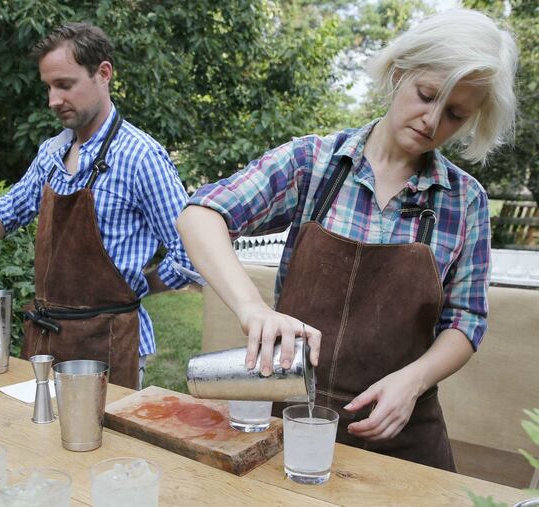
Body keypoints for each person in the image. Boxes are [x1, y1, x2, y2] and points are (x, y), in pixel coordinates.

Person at [176, 8, 517, 471]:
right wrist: (251, 307)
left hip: (399, 437)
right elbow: (200, 215)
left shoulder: (465, 201)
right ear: (399, 74)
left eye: (455, 114)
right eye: (426, 95)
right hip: (291, 423)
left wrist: (413, 382)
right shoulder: (312, 164)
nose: (432, 121)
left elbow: (467, 320)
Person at [0, 23, 193, 390]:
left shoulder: (141, 157)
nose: (52, 100)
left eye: (64, 85)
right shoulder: (52, 152)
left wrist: (136, 288)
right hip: (46, 340)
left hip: (110, 344)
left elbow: (190, 251)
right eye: (48, 87)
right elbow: (11, 207)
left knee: (101, 448)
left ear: (103, 73)